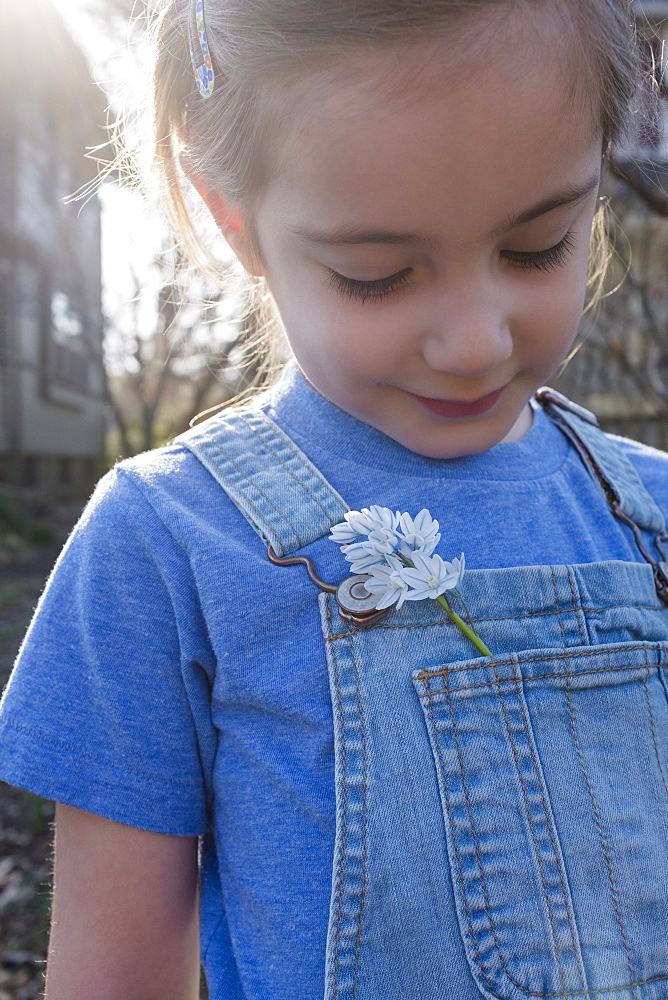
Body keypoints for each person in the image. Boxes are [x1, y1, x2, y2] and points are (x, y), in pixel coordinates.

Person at [1, 0, 668, 997]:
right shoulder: (167, 544)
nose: (474, 340)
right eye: (377, 275)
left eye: (536, 246)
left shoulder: (647, 514)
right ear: (237, 225)